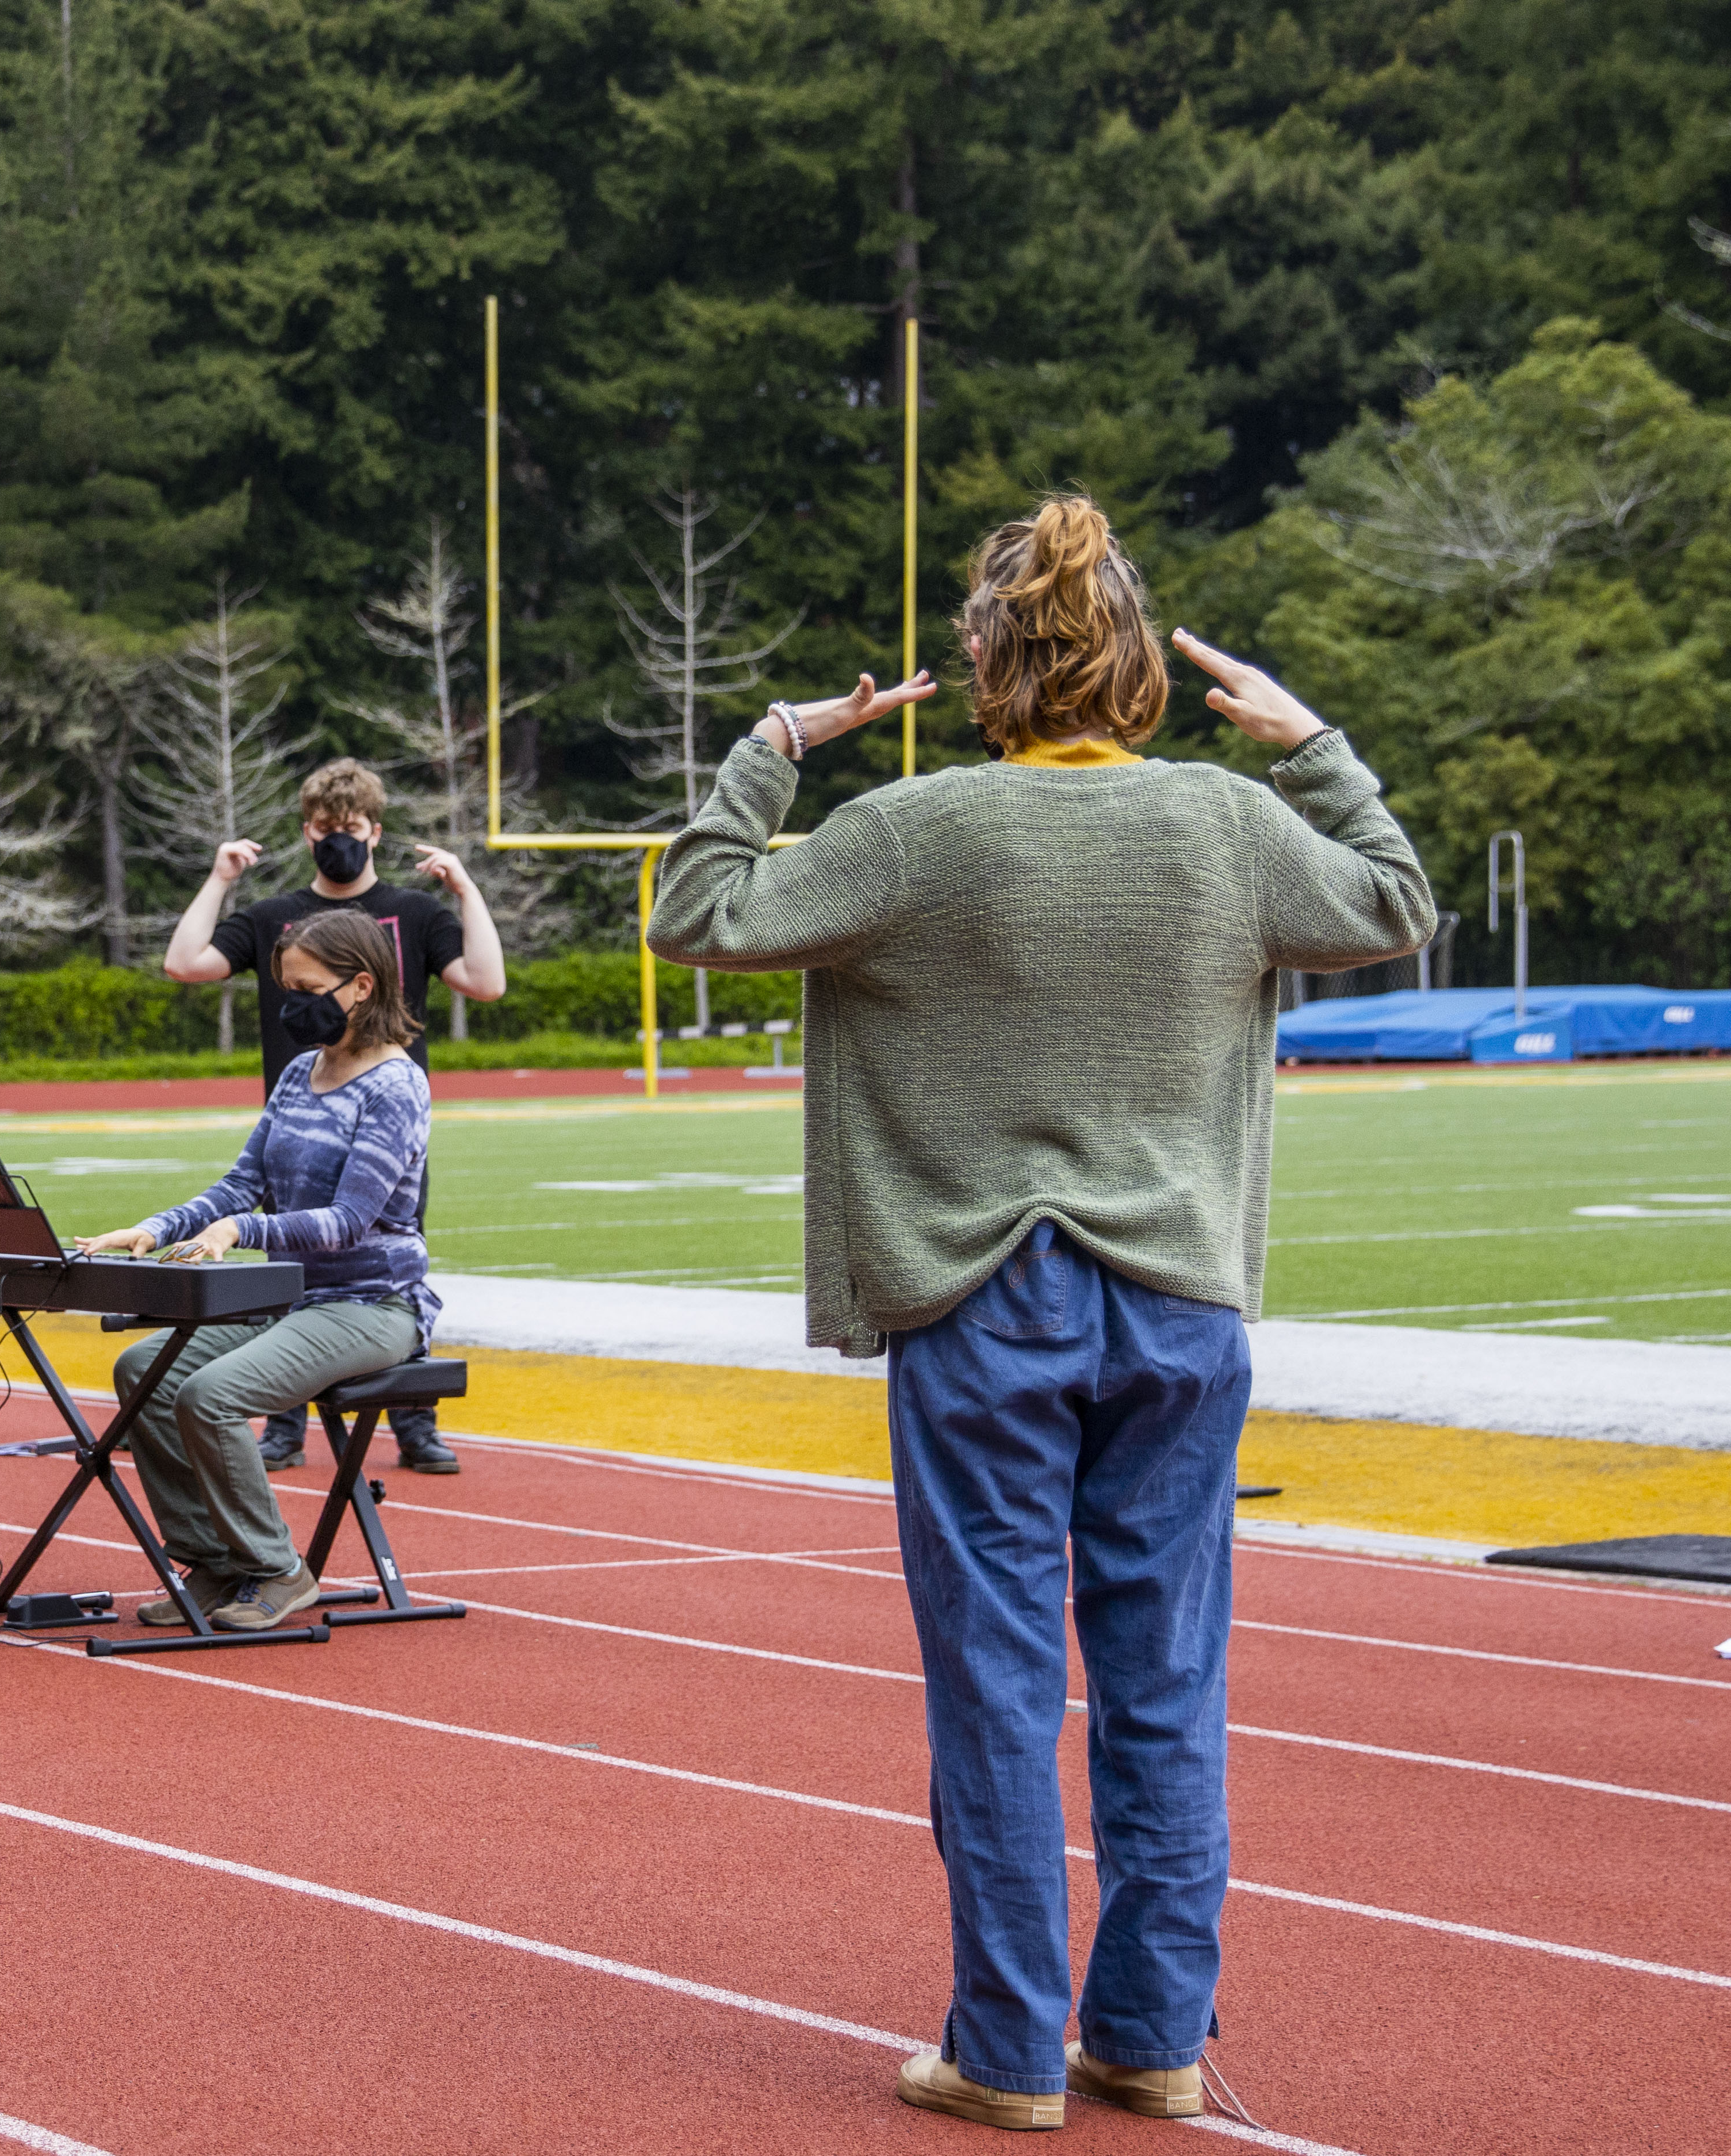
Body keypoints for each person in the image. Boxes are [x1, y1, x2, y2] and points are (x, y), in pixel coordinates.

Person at [645, 496, 1434, 2130]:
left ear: (986, 658)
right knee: (1168, 1681)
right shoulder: (1227, 822)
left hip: (980, 1300)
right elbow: (1395, 899)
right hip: (1180, 1305)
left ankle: (1005, 2050)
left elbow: (695, 914)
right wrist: (1311, 744)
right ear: (1141, 657)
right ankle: (1150, 2035)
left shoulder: (913, 828)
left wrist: (773, 748)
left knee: (997, 1688)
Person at [78, 910, 440, 1632]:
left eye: (306, 988)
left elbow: (349, 1221)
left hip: (372, 1304)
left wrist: (241, 1231)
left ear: (361, 985)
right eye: (284, 989)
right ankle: (214, 1561)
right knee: (143, 1369)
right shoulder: (301, 1072)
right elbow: (242, 1182)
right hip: (291, 1298)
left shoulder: (396, 1086)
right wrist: (154, 1228)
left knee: (210, 1395)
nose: (290, 1004)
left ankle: (277, 1568)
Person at [159, 755, 504, 1473]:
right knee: (288, 1265)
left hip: (379, 1125)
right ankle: (282, 1426)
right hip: (295, 1117)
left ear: (374, 831)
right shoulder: (273, 917)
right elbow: (186, 963)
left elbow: (485, 982)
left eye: (349, 825)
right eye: (322, 826)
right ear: (305, 831)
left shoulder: (412, 913)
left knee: (379, 1259)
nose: (336, 838)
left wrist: (465, 889)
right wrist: (220, 878)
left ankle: (413, 1421)